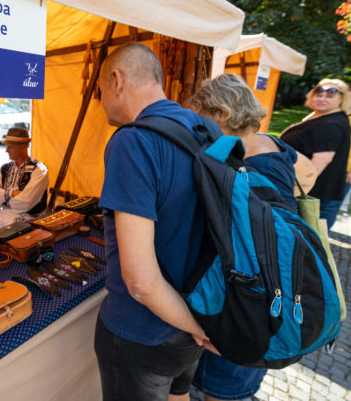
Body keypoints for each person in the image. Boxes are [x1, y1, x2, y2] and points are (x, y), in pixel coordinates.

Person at [94, 42, 216, 401]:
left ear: (116, 80)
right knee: (180, 395)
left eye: (100, 91)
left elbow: (141, 283)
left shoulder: (133, 141)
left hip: (142, 332)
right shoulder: (208, 130)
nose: (101, 102)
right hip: (197, 314)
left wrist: (197, 327)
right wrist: (200, 325)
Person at [185, 73, 302, 401]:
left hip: (252, 310)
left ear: (221, 114)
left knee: (223, 393)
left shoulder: (253, 168)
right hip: (264, 309)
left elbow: (257, 256)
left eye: (202, 119)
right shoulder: (271, 145)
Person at [280, 79, 351, 228]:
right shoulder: (322, 117)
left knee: (306, 239)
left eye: (329, 96)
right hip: (311, 192)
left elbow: (320, 161)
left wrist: (292, 190)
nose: (322, 99)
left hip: (311, 195)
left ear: (342, 99)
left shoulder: (330, 124)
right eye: (318, 95)